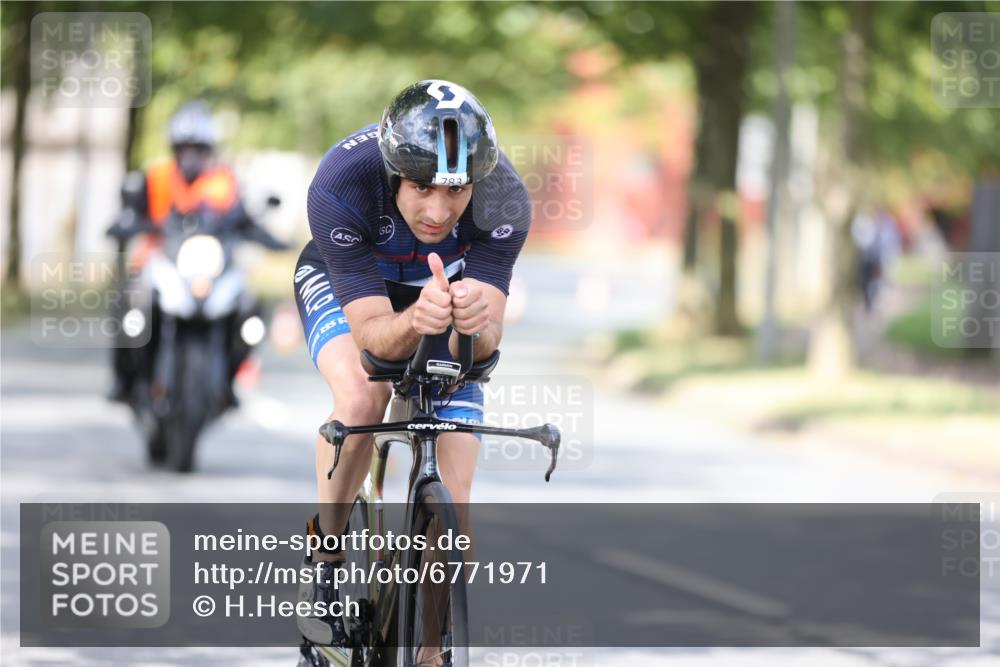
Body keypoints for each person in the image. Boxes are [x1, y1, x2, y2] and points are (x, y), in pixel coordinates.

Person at [293, 80, 530, 647]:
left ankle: (431, 648)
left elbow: (485, 347)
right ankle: (324, 562)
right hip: (353, 285)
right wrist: (414, 322)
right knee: (362, 397)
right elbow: (374, 339)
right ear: (395, 172)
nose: (438, 210)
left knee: (457, 484)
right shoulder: (341, 182)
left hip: (444, 291)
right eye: (422, 187)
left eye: (456, 191)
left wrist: (473, 323)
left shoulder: (505, 198)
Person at [106, 100, 286, 403]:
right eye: (184, 148)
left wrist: (269, 238)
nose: (191, 156)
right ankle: (126, 378)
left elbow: (244, 217)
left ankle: (230, 378)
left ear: (209, 150)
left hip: (212, 268)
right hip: (160, 261)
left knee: (247, 307)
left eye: (199, 148)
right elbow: (133, 212)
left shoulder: (225, 181)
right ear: (174, 149)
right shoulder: (156, 177)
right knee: (133, 306)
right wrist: (128, 224)